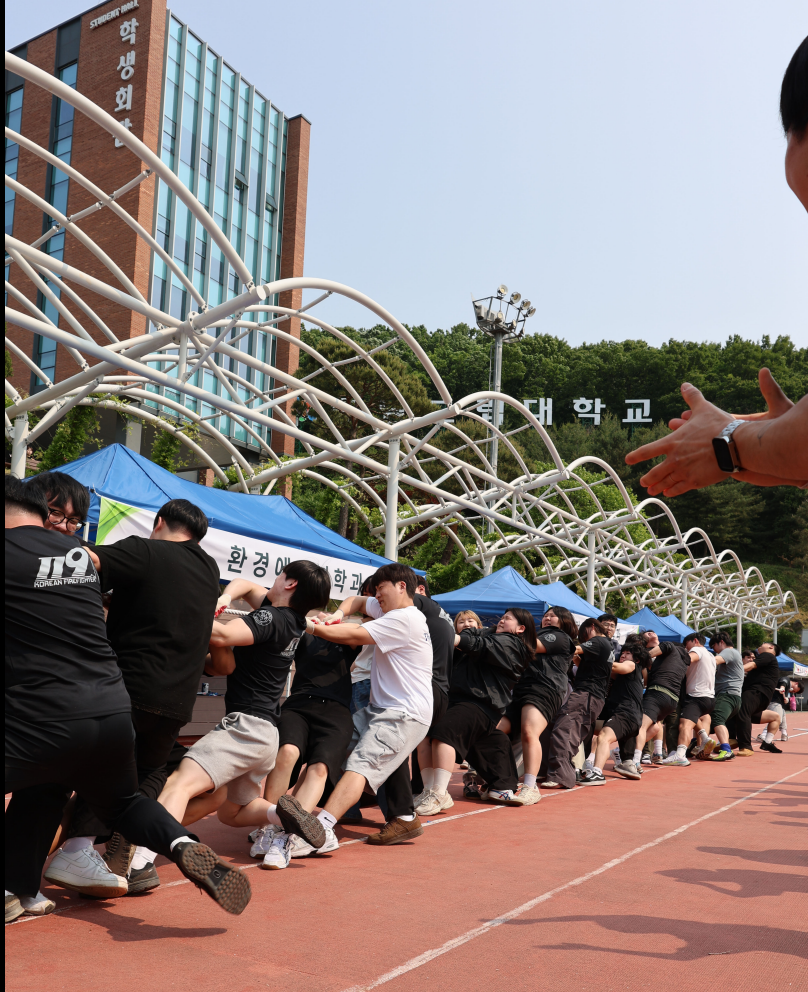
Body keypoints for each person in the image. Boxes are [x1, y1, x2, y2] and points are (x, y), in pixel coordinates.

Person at [4, 477, 250, 921]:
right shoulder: (86, 558)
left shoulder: (129, 552)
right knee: (118, 799)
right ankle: (179, 843)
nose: (65, 526)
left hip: (62, 708)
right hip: (124, 707)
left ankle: (27, 878)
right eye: (58, 515)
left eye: (73, 519)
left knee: (44, 784)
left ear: (159, 523)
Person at [51, 498, 221, 896]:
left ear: (159, 522)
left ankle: (71, 851)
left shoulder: (146, 549)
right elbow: (160, 604)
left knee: (90, 770)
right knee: (148, 772)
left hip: (129, 687)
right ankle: (129, 849)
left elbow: (88, 559)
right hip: (178, 701)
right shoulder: (209, 570)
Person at [156, 560, 332, 857]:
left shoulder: (271, 616)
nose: (273, 580)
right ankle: (279, 814)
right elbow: (248, 586)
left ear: (290, 583)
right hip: (266, 736)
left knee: (179, 784)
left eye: (280, 575)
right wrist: (224, 598)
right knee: (231, 812)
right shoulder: (295, 622)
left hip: (244, 728)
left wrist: (187, 604)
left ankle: (142, 859)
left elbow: (221, 636)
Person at [272, 563, 433, 853]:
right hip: (378, 710)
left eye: (381, 589)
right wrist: (338, 614)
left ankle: (322, 829)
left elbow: (353, 635)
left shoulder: (405, 618)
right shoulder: (390, 611)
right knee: (328, 751)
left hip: (403, 714)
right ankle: (289, 820)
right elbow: (356, 601)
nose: (376, 596)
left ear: (401, 586)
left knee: (360, 766)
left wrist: (307, 624)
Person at [257, 624, 358, 868]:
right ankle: (269, 827)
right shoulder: (304, 633)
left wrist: (336, 617)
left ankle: (288, 837)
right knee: (287, 752)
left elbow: (364, 616)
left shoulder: (348, 636)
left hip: (336, 711)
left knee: (319, 768)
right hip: (298, 705)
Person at [422, 608, 535, 809]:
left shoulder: (511, 643)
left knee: (443, 733)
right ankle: (501, 786)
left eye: (507, 619)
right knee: (493, 742)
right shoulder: (486, 636)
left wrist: (453, 638)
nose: (501, 620)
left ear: (520, 628)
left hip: (480, 704)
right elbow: (474, 637)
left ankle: (439, 794)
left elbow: (479, 644)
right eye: (461, 621)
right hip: (460, 701)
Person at [374, 576, 454, 827]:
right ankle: (430, 792)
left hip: (426, 687)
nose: (379, 597)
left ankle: (431, 796)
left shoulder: (417, 608)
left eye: (381, 590)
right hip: (435, 688)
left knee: (407, 743)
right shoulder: (437, 614)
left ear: (416, 590)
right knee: (420, 741)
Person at [501, 606, 579, 805]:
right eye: (545, 616)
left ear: (564, 621)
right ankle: (497, 780)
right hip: (520, 690)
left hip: (544, 688)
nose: (547, 618)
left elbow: (531, 646)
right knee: (496, 730)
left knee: (529, 731)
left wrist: (507, 631)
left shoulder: (559, 637)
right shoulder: (534, 635)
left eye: (553, 616)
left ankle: (530, 786)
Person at [543, 618, 613, 790]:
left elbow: (575, 649)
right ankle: (564, 772)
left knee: (564, 730)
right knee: (570, 733)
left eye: (583, 635)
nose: (584, 639)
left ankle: (561, 776)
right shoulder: (606, 646)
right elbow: (584, 665)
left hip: (585, 695)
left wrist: (551, 645)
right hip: (593, 698)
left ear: (592, 626)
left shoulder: (598, 641)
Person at [580, 636, 650, 786]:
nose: (623, 655)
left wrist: (595, 655)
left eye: (628, 653)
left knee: (603, 736)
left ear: (637, 659)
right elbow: (602, 670)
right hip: (621, 713)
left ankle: (597, 773)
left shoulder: (632, 666)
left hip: (627, 714)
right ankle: (626, 763)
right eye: (622, 653)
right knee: (588, 721)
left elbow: (615, 667)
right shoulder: (622, 676)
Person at [632, 631, 689, 764]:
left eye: (651, 632)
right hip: (672, 700)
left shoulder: (667, 646)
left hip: (657, 693)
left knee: (641, 726)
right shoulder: (682, 659)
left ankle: (634, 761)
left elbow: (660, 649)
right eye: (647, 634)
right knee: (655, 725)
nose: (651, 633)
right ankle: (656, 752)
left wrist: (638, 659)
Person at [659, 632, 715, 766]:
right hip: (709, 697)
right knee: (692, 718)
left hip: (696, 696)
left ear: (695, 640)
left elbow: (687, 659)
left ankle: (680, 755)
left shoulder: (697, 650)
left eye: (687, 645)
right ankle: (705, 737)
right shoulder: (711, 655)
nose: (686, 648)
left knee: (684, 725)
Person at [733, 645, 781, 756]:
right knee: (775, 717)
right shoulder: (767, 663)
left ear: (770, 647)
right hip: (762, 699)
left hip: (756, 692)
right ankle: (767, 742)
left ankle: (746, 746)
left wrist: (732, 670)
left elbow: (752, 665)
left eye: (762, 644)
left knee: (742, 712)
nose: (759, 646)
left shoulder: (768, 655)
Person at [706, 630, 744, 762]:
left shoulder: (728, 651)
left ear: (721, 642)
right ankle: (697, 744)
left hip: (727, 694)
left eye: (714, 647)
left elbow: (713, 661)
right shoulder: (734, 653)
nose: (715, 651)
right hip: (732, 696)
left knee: (717, 719)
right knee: (709, 720)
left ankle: (726, 749)